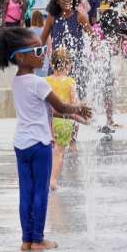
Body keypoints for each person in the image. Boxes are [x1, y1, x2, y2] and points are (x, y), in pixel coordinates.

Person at [0, 26, 92, 251]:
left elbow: (49, 111)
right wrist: (78, 108)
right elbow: (59, 105)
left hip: (21, 144)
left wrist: (73, 115)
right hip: (40, 144)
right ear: (22, 57)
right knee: (40, 191)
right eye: (39, 51)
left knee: (26, 192)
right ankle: (39, 239)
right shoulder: (38, 83)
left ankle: (26, 240)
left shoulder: (17, 82)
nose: (44, 54)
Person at [47, 48, 80, 192]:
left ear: (52, 64)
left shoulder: (46, 81)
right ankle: (53, 181)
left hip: (49, 121)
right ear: (67, 65)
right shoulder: (70, 82)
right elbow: (74, 104)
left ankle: (47, 176)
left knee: (50, 151)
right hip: (65, 122)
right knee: (60, 152)